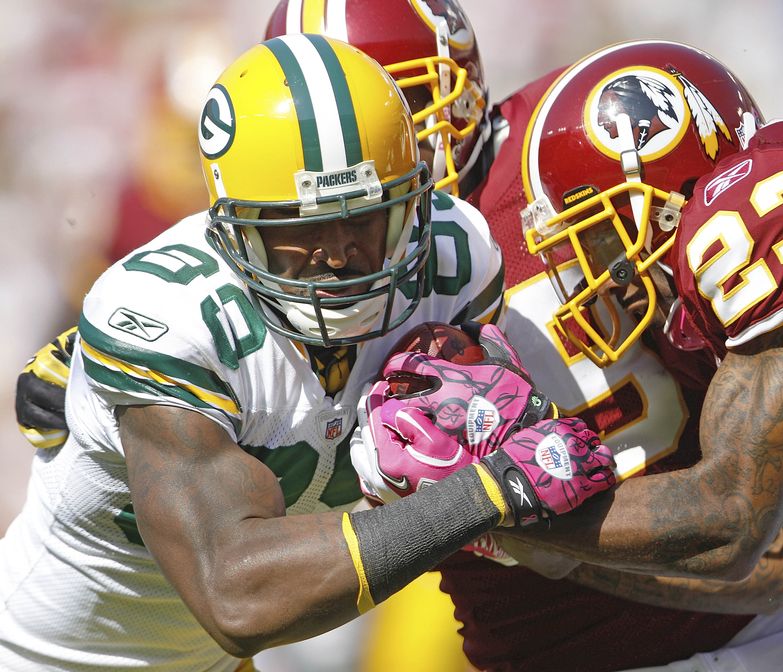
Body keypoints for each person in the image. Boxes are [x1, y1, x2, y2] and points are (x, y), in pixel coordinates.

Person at [0, 34, 617, 671]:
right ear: (234, 228)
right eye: (300, 226)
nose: (339, 252)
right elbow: (237, 597)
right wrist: (487, 492)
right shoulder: (172, 320)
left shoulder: (454, 261)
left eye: (366, 216)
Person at [355, 40, 783, 671]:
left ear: (685, 202)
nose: (598, 270)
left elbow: (744, 532)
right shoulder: (765, 237)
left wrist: (497, 512)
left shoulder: (767, 235)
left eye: (602, 231)